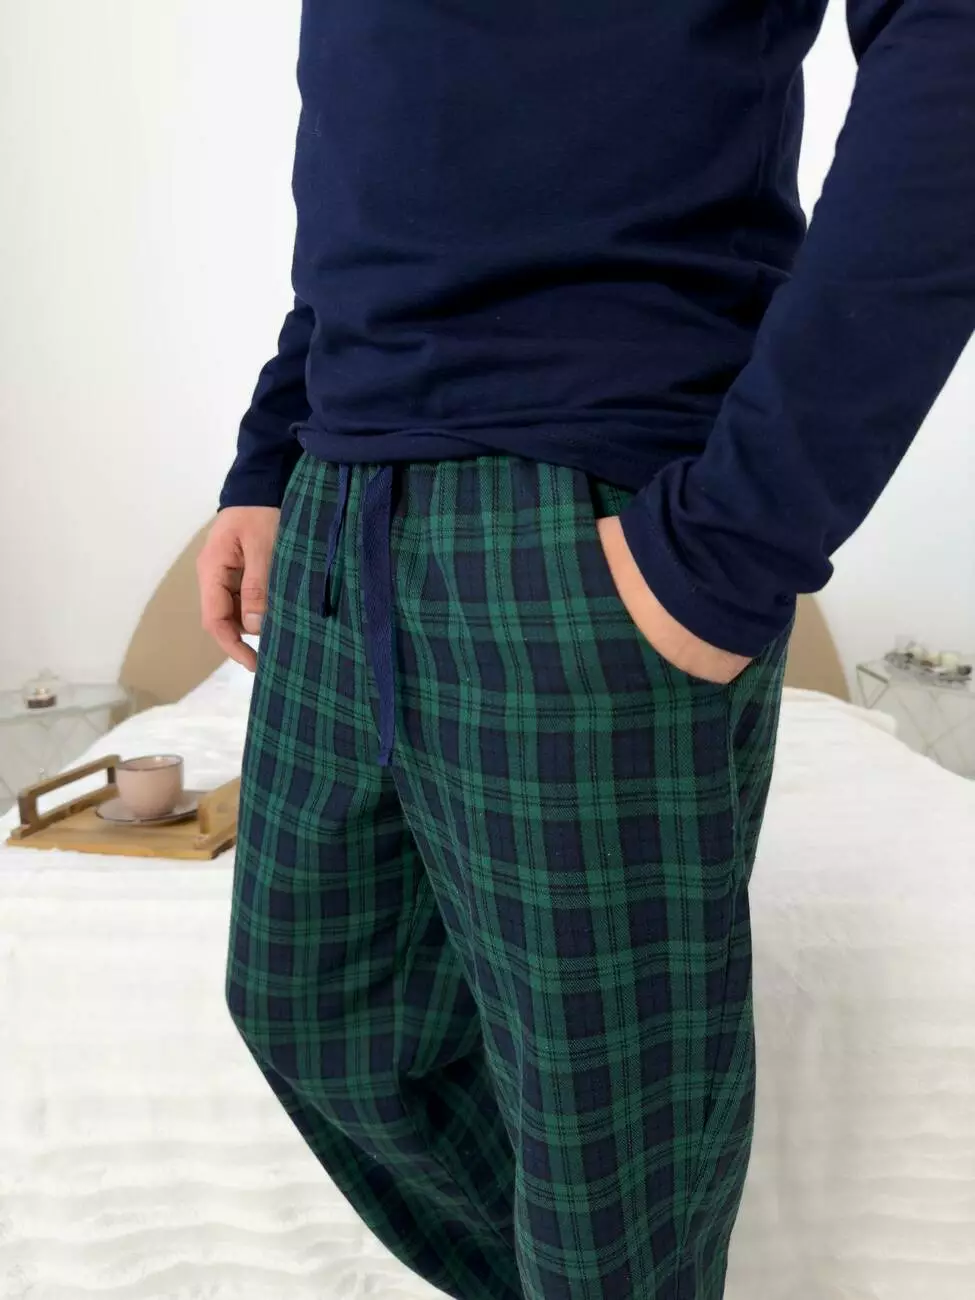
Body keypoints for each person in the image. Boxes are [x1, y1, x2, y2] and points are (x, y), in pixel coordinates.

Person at [198, 4, 975, 1297]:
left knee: (606, 1161)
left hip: (586, 504)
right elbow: (374, 150)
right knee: (308, 1009)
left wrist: (737, 536)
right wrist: (271, 451)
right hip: (337, 494)